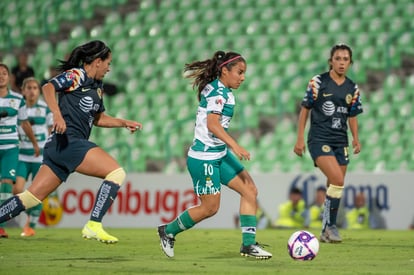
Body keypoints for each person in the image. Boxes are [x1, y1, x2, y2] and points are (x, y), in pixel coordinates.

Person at [0, 40, 142, 243]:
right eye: (108, 63)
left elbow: (98, 118)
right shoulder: (77, 75)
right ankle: (94, 224)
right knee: (116, 172)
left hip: (59, 147)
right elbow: (48, 87)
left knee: (30, 198)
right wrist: (57, 115)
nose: (109, 68)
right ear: (97, 61)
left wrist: (123, 122)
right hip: (69, 141)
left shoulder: (97, 86)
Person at [157, 51, 272, 259]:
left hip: (219, 154)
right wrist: (235, 146)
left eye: (244, 73)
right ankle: (168, 231)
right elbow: (212, 124)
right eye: (239, 72)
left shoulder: (224, 90)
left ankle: (248, 244)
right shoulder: (218, 93)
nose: (243, 77)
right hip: (204, 158)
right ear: (225, 71)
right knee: (210, 208)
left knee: (250, 190)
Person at [293, 43, 363, 243]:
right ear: (331, 61)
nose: (341, 63)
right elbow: (305, 109)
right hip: (319, 139)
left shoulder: (352, 87)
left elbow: (353, 116)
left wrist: (356, 138)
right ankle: (331, 226)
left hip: (341, 141)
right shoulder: (317, 82)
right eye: (338, 58)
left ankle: (325, 229)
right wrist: (299, 138)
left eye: (345, 59)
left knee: (334, 184)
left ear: (350, 62)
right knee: (338, 180)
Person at [0, 64, 40, 238]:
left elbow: (24, 123)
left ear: (9, 78)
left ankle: (0, 226)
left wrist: (35, 144)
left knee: (7, 183)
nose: (1, 76)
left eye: (4, 73)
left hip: (10, 148)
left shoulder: (17, 99)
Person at [13, 77, 53, 237]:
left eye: (35, 88)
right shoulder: (17, 109)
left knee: (38, 193)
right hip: (22, 155)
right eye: (28, 88)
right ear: (23, 91)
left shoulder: (45, 108)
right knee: (17, 190)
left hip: (40, 157)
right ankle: (28, 218)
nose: (32, 91)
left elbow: (52, 129)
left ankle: (30, 225)